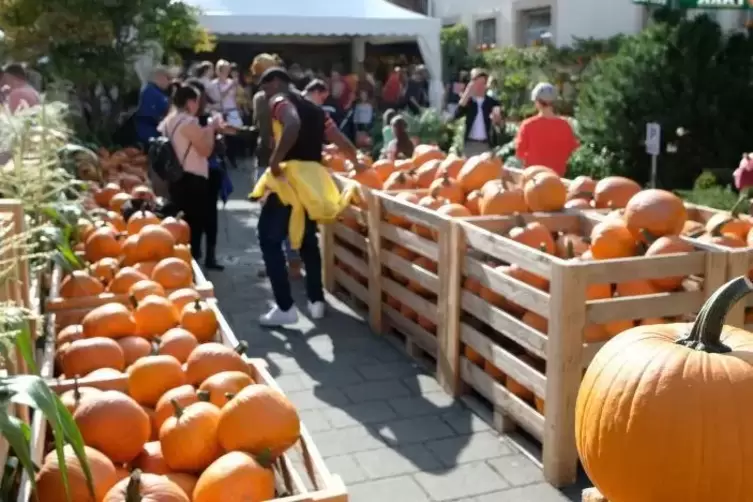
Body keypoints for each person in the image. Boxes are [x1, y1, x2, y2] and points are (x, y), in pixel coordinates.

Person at [255, 67, 363, 326]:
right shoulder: (316, 109)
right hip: (312, 183)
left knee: (269, 238)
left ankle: (284, 307)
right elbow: (338, 138)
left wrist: (275, 161)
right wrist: (356, 162)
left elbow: (291, 124)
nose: (266, 94)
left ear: (277, 82)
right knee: (307, 241)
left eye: (266, 87)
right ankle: (316, 301)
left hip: (288, 181)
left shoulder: (280, 101)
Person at [158, 84, 224, 264]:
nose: (198, 105)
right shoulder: (189, 122)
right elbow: (206, 150)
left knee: (180, 221)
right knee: (194, 225)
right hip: (193, 178)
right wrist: (211, 128)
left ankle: (180, 259)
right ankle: (191, 262)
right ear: (189, 102)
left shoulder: (168, 121)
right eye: (196, 100)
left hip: (175, 177)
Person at [250, 53, 302, 278]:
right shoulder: (297, 96)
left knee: (271, 216)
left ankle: (276, 263)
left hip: (269, 161)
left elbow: (261, 129)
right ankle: (294, 263)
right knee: (293, 212)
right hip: (293, 163)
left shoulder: (262, 99)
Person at [184, 77, 234, 270]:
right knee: (200, 216)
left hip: (205, 171)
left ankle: (202, 255)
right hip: (199, 171)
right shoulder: (193, 120)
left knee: (203, 216)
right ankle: (199, 255)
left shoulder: (203, 118)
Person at [515, 82, 578, 177]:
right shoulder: (565, 125)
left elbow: (519, 153)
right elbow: (573, 150)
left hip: (534, 180)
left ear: (537, 102)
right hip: (557, 179)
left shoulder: (527, 125)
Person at [452, 68, 503, 157]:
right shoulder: (469, 101)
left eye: (482, 84)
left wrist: (497, 121)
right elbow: (457, 114)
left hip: (486, 145)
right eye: (477, 84)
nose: (479, 87)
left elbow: (501, 126)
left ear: (486, 85)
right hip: (470, 144)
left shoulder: (493, 102)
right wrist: (467, 93)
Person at [134, 66, 171, 148]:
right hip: (148, 134)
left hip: (153, 134)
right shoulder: (151, 92)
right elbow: (150, 114)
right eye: (168, 78)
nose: (169, 82)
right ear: (160, 77)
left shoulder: (156, 92)